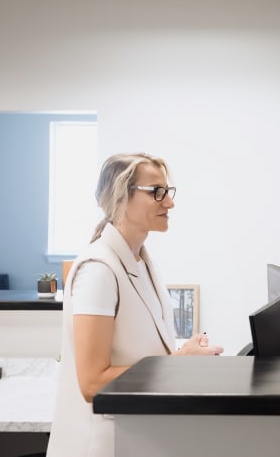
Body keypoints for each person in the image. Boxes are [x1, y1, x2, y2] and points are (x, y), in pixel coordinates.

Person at [47, 152, 224, 457]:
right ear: (120, 195)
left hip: (134, 434)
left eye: (168, 192)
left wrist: (181, 352)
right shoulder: (98, 271)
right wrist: (179, 361)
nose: (169, 203)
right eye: (157, 192)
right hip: (102, 443)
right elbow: (92, 382)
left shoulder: (139, 260)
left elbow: (140, 348)